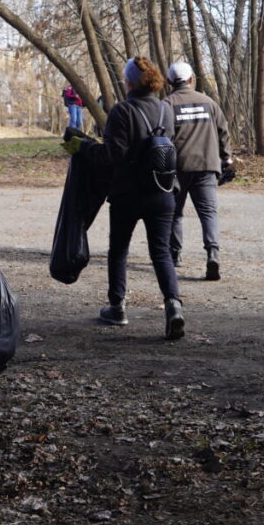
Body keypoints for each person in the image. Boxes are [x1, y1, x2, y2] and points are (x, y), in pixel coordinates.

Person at [94, 56, 184, 340]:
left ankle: (117, 307)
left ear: (130, 82)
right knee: (161, 252)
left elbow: (112, 155)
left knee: (119, 250)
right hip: (163, 191)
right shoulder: (165, 110)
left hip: (127, 194)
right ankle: (173, 305)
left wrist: (84, 148)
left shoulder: (122, 111)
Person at [165, 61, 232, 281]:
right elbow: (223, 131)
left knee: (175, 213)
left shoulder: (167, 104)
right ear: (192, 79)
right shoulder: (209, 102)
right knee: (208, 213)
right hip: (207, 166)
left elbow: (162, 139)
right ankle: (212, 253)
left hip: (178, 168)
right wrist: (226, 157)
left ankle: (175, 255)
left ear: (169, 82)